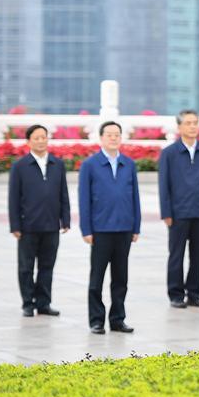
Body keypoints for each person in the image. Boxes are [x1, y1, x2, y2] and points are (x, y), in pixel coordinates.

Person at [79, 121, 141, 335]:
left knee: (121, 278)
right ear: (101, 138)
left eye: (117, 134)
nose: (114, 138)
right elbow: (84, 199)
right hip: (100, 229)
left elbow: (135, 197)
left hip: (124, 228)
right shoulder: (90, 165)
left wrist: (136, 226)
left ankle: (117, 319)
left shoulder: (128, 164)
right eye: (109, 134)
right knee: (97, 278)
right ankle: (96, 320)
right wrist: (86, 229)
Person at [159, 109, 199, 309]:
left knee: (197, 255)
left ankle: (195, 293)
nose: (193, 126)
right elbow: (163, 184)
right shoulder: (169, 153)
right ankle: (176, 294)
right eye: (188, 123)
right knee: (176, 254)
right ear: (179, 127)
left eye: (195, 122)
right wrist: (166, 212)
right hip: (178, 213)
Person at [8, 124, 70, 317]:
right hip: (27, 226)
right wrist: (15, 225)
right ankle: (28, 303)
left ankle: (44, 303)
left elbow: (63, 193)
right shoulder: (20, 166)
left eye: (44, 137)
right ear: (28, 142)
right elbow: (13, 198)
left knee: (47, 267)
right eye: (36, 138)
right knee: (26, 268)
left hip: (51, 225)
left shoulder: (57, 164)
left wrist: (65, 219)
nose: (41, 141)